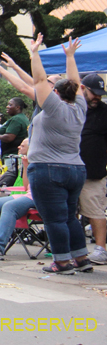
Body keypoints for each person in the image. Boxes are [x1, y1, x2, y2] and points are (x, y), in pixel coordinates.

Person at [25, 35, 91, 274]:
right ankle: (81, 258)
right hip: (76, 169)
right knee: (70, 217)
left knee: (54, 219)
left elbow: (39, 79)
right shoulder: (80, 108)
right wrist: (70, 57)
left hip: (48, 169)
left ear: (55, 92)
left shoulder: (52, 107)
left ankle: (62, 262)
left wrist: (35, 54)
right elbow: (76, 82)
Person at [78, 73, 107, 264]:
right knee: (68, 212)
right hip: (70, 169)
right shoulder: (73, 108)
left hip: (94, 172)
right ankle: (74, 249)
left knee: (96, 210)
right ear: (83, 89)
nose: (97, 97)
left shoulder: (104, 112)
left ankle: (100, 248)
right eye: (93, 93)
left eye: (100, 94)